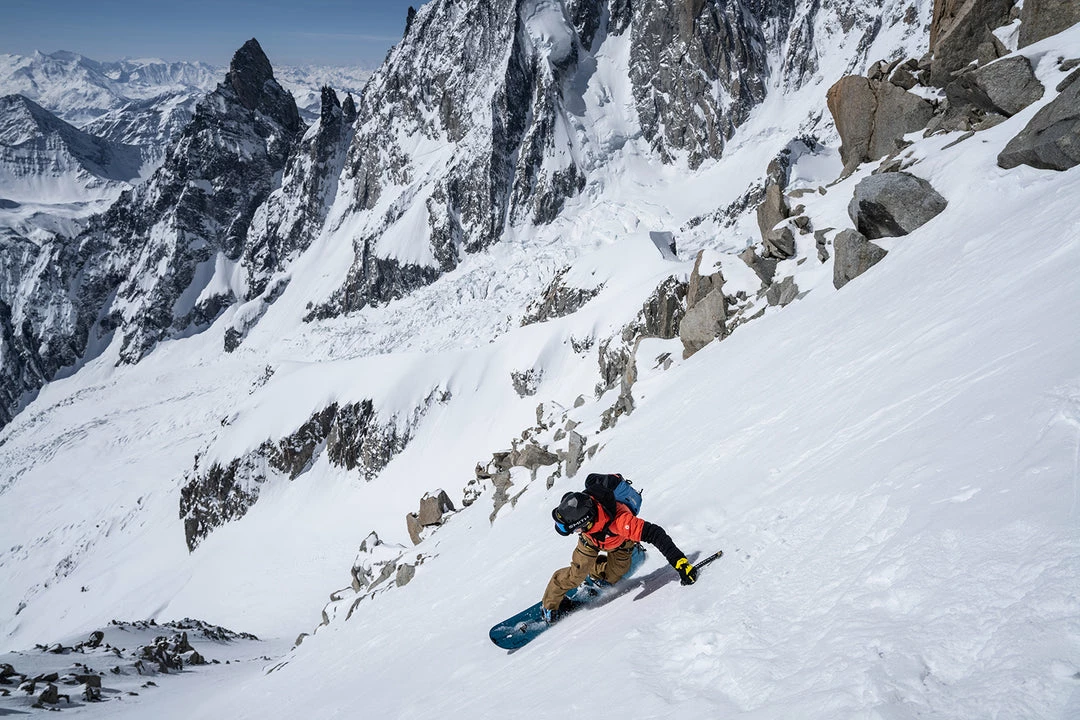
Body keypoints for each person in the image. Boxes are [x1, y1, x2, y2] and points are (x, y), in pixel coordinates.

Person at [541, 477, 697, 623]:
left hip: (621, 542)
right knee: (576, 576)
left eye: (577, 529)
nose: (577, 532)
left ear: (587, 523)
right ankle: (549, 606)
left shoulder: (621, 521)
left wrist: (680, 562)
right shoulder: (583, 508)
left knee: (614, 575)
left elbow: (655, 534)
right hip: (590, 541)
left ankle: (596, 572)